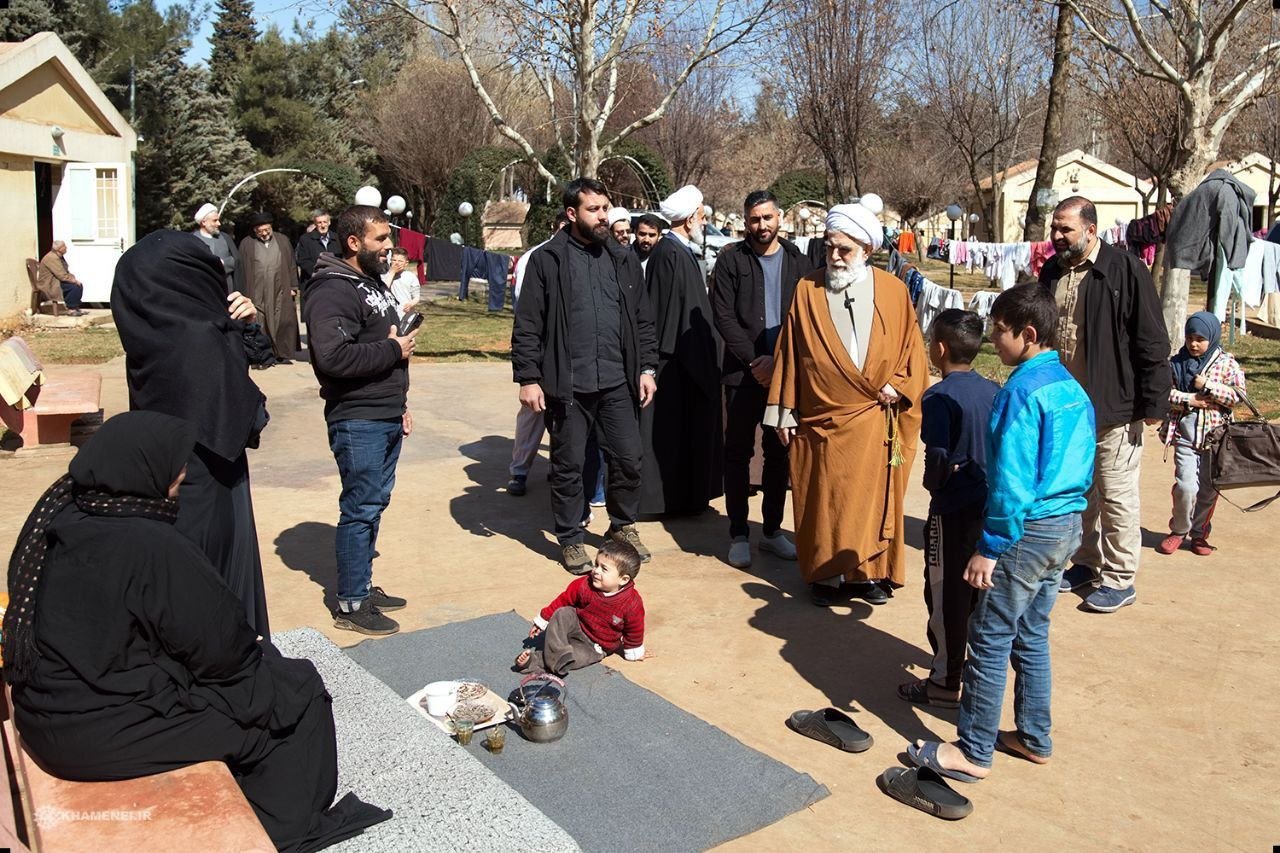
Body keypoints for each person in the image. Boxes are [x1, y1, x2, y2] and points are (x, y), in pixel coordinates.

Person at [4, 411, 390, 851]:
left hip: (46, 715)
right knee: (296, 691)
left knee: (261, 675)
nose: (183, 473)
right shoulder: (149, 543)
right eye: (176, 464)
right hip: (96, 735)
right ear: (146, 468)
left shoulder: (64, 514)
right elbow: (223, 651)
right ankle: (282, 828)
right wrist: (261, 663)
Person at [907, 283, 1095, 786]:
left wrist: (990, 548)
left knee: (989, 638)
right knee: (1031, 634)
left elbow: (1011, 481)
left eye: (998, 329)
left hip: (1026, 532)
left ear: (1027, 334)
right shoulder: (1071, 387)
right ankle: (1034, 736)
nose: (992, 338)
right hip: (1065, 526)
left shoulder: (1020, 392)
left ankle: (971, 750)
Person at [765, 202, 928, 607]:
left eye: (845, 250)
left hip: (875, 418)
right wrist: (784, 410)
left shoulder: (893, 291)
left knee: (870, 501)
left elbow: (913, 352)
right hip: (820, 421)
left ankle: (864, 575)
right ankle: (824, 574)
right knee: (824, 500)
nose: (835, 257)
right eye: (829, 247)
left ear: (867, 250)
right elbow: (789, 352)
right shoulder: (807, 289)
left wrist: (898, 383)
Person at [111, 230, 272, 637]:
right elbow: (249, 415)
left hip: (164, 480)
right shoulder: (202, 338)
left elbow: (257, 356)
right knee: (218, 595)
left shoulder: (150, 331)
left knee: (180, 597)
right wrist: (238, 332)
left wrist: (245, 326)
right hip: (212, 485)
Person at [511, 177, 658, 574]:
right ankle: (571, 537)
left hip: (617, 381)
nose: (603, 216)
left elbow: (643, 320)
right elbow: (528, 325)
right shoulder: (548, 260)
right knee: (568, 464)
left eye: (606, 208)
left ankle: (623, 526)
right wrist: (528, 377)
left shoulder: (623, 258)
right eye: (594, 210)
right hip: (568, 384)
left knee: (629, 457)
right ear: (573, 214)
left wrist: (646, 367)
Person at [1038, 197, 1170, 613]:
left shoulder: (1125, 270)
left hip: (1115, 405)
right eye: (1055, 228)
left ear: (1091, 230)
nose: (1057, 236)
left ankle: (1119, 578)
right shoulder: (1051, 271)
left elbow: (1151, 338)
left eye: (1066, 230)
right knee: (1079, 491)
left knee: (1116, 494)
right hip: (1065, 409)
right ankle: (1085, 562)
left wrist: (1154, 402)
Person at [303, 205, 417, 636]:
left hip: (384, 412)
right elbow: (331, 357)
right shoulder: (332, 289)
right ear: (354, 242)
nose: (390, 247)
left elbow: (382, 343)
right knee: (361, 508)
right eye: (381, 239)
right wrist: (393, 351)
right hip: (358, 419)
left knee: (374, 504)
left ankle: (363, 585)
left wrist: (400, 403)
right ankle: (351, 603)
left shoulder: (369, 283)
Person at [898, 309, 999, 709]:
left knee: (944, 595)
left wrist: (935, 479)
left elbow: (937, 461)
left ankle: (943, 681)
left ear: (939, 349)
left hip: (951, 510)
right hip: (989, 510)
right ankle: (968, 671)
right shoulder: (994, 390)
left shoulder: (938, 396)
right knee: (976, 596)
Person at [712, 189, 812, 568]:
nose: (761, 226)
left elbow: (805, 316)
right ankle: (738, 532)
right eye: (754, 219)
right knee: (737, 453)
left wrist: (781, 363)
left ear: (780, 218)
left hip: (786, 377)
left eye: (767, 218)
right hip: (742, 374)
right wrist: (756, 361)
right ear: (745, 221)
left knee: (779, 454)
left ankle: (771, 531)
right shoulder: (731, 259)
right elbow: (722, 315)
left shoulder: (798, 261)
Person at [639, 184, 723, 517]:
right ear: (689, 219)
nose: (703, 220)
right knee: (674, 436)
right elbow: (675, 315)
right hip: (677, 364)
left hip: (677, 361)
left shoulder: (672, 251)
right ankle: (673, 502)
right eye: (701, 215)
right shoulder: (673, 253)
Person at [1156, 311, 1245, 556]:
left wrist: (1208, 386)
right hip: (1185, 436)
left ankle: (1200, 533)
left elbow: (1237, 397)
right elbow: (1163, 393)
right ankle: (1178, 530)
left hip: (1216, 440)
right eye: (1190, 337)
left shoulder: (1227, 364)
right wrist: (1189, 400)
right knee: (1186, 487)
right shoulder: (1176, 363)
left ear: (1213, 337)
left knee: (1208, 489)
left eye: (1200, 338)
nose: (1194, 344)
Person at [515, 540, 647, 675]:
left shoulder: (632, 603)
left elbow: (634, 629)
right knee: (563, 613)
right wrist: (543, 620)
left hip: (596, 646)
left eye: (604, 569)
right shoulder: (584, 584)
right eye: (596, 564)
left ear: (623, 579)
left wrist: (634, 650)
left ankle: (533, 662)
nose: (596, 571)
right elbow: (563, 600)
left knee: (574, 657)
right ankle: (558, 655)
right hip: (577, 625)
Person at [507, 212, 569, 497]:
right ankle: (519, 470)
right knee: (532, 414)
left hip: (566, 354)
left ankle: (557, 467)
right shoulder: (535, 257)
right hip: (540, 350)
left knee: (564, 415)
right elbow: (526, 311)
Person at [239, 212, 302, 363]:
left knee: (283, 319)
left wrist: (293, 285)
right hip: (256, 290)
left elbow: (291, 264)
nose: (265, 233)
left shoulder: (282, 240)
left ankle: (282, 354)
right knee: (259, 321)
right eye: (261, 231)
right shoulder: (247, 244)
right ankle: (262, 355)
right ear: (255, 231)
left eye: (267, 229)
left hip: (280, 288)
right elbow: (241, 269)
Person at [191, 203, 243, 293]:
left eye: (218, 220)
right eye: (215, 221)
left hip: (226, 291)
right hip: (203, 290)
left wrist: (224, 263)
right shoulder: (192, 240)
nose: (219, 224)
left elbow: (236, 259)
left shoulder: (225, 237)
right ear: (203, 222)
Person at [36, 240, 86, 315]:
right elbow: (61, 275)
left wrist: (73, 279)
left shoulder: (59, 257)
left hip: (56, 281)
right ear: (59, 249)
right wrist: (74, 280)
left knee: (78, 285)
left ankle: (75, 307)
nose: (66, 248)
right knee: (74, 287)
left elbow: (65, 272)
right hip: (49, 284)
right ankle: (71, 309)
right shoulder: (52, 258)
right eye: (64, 246)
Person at [295, 209, 337, 290]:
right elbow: (303, 261)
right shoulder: (305, 239)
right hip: (313, 283)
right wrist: (320, 273)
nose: (323, 225)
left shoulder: (337, 239)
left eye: (325, 222)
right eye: (319, 222)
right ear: (315, 224)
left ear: (329, 223)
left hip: (334, 282)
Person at [385, 246, 420, 313]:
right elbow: (383, 290)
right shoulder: (385, 275)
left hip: (405, 314)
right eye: (394, 260)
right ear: (390, 261)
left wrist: (410, 304)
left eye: (400, 261)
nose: (397, 263)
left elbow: (416, 297)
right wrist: (392, 272)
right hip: (390, 314)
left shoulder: (410, 276)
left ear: (406, 263)